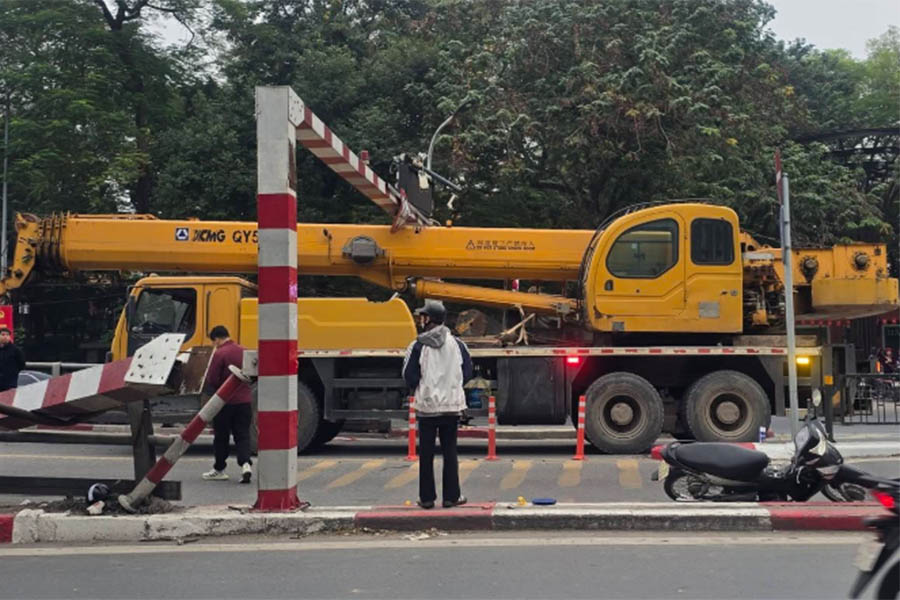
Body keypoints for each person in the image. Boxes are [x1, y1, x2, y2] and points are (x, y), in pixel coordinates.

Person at [402, 300, 473, 509]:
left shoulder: (418, 345)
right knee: (450, 452)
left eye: (423, 317)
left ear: (429, 320)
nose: (421, 320)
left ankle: (426, 499)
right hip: (451, 408)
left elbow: (409, 375)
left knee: (426, 454)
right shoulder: (458, 345)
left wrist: (422, 389)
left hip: (427, 408)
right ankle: (452, 497)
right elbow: (467, 372)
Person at [201, 325, 254, 483]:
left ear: (217, 338)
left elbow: (213, 379)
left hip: (225, 402)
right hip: (245, 402)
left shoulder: (220, 353)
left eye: (214, 341)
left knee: (221, 437)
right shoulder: (243, 350)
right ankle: (245, 465)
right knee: (243, 435)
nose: (214, 344)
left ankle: (219, 469)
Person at [0, 327, 25, 393]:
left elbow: (21, 364)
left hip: (10, 382)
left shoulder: (15, 350)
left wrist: (13, 372)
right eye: (3, 335)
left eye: (7, 335)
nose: (5, 337)